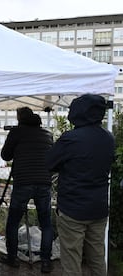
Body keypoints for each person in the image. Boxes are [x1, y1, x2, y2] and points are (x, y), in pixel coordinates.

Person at [46, 94, 115, 276]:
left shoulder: (70, 139)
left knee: (71, 260)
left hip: (73, 209)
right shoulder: (108, 138)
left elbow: (49, 163)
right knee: (97, 258)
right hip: (98, 208)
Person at [0, 107, 54, 273]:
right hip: (44, 182)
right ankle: (46, 261)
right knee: (46, 223)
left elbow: (5, 155)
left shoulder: (17, 133)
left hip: (23, 182)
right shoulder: (47, 134)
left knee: (13, 221)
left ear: (20, 118)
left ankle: (12, 258)